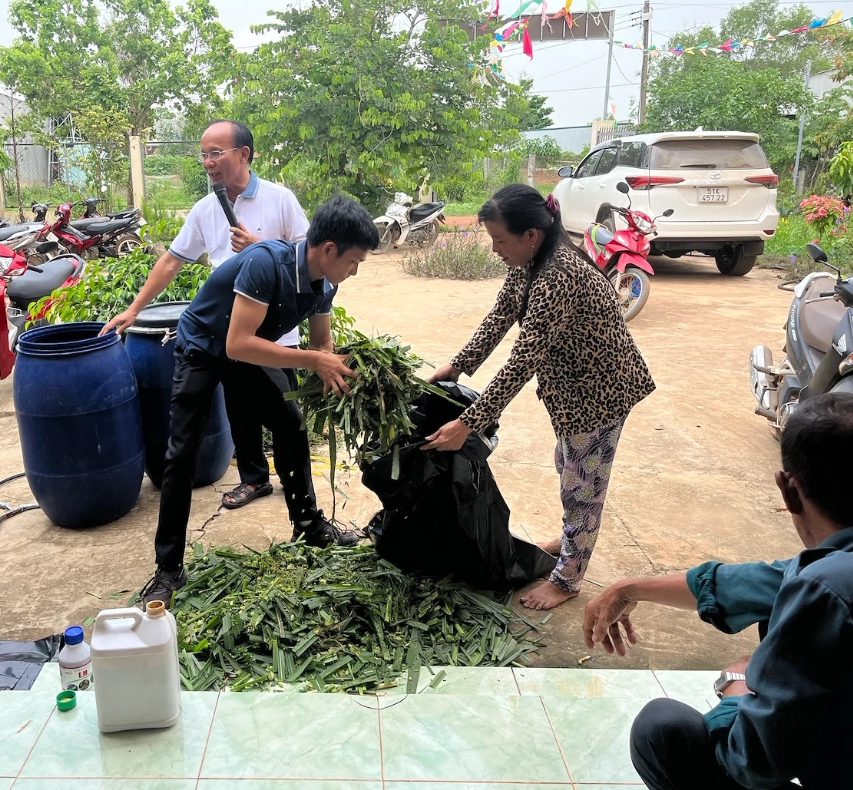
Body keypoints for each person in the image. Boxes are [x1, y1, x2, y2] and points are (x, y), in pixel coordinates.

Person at [582, 394, 853, 790]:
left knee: (662, 729)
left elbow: (755, 761)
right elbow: (761, 582)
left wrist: (738, 688)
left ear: (787, 490)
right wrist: (631, 587)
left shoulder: (825, 592)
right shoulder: (829, 574)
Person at [139, 194, 379, 607]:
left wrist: (332, 368)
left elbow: (322, 341)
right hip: (204, 347)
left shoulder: (325, 281)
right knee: (182, 452)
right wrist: (313, 359)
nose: (355, 271)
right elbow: (236, 343)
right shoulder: (266, 263)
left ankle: (308, 526)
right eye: (354, 261)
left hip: (248, 349)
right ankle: (168, 567)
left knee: (290, 422)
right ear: (328, 249)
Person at [423, 184, 655, 611]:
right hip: (570, 391)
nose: (495, 249)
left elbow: (521, 361)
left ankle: (568, 578)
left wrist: (467, 423)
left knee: (583, 485)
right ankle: (571, 540)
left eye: (500, 240)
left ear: (531, 234)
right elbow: (500, 316)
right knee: (568, 467)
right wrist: (457, 365)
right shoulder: (529, 261)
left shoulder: (558, 275)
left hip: (599, 393)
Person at [102, 119, 310, 511]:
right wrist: (134, 309)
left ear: (244, 154)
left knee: (286, 413)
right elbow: (171, 261)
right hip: (226, 333)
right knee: (239, 408)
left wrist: (259, 245)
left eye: (216, 153)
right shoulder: (204, 209)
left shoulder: (280, 199)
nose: (208, 162)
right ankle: (254, 478)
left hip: (274, 333)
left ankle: (294, 481)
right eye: (204, 154)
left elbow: (308, 256)